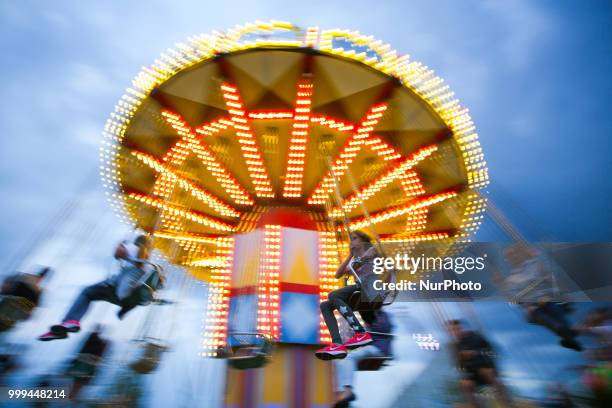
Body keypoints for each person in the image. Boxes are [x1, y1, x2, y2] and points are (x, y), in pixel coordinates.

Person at [38, 235, 162, 341]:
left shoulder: (134, 248)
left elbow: (118, 252)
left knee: (87, 293)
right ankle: (124, 309)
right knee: (104, 289)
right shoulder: (148, 264)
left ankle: (71, 321)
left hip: (117, 290)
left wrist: (121, 244)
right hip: (127, 298)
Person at [496, 244, 582, 351]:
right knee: (535, 311)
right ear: (507, 260)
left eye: (514, 254)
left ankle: (565, 332)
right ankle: (566, 332)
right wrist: (527, 304)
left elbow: (551, 276)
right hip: (534, 305)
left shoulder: (537, 264)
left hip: (551, 297)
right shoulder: (511, 279)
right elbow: (515, 298)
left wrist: (549, 295)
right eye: (509, 256)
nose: (513, 257)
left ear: (521, 254)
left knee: (547, 304)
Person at [316, 231, 379, 360]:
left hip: (369, 286)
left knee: (333, 295)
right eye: (351, 239)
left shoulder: (372, 250)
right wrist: (350, 255)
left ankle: (360, 332)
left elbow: (365, 259)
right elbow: (338, 274)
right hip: (361, 289)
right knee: (325, 305)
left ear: (362, 241)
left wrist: (355, 262)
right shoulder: (355, 258)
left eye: (355, 238)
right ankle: (337, 343)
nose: (352, 241)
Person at [446, 319, 514, 408]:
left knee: (487, 373)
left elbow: (491, 351)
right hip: (471, 373)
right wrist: (461, 358)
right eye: (451, 330)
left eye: (455, 329)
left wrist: (476, 353)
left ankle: (507, 404)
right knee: (465, 384)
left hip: (485, 366)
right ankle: (476, 406)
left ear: (461, 328)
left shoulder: (476, 336)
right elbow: (457, 365)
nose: (454, 332)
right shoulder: (453, 346)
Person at [333, 309, 393, 407]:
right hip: (372, 346)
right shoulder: (369, 314)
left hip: (378, 348)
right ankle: (341, 392)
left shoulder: (383, 315)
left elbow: (383, 328)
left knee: (349, 357)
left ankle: (347, 391)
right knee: (339, 360)